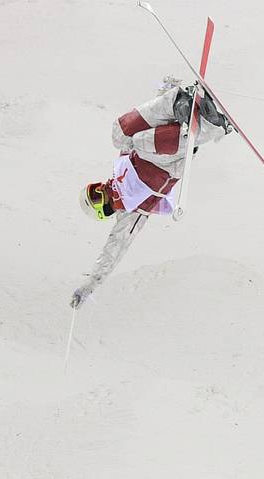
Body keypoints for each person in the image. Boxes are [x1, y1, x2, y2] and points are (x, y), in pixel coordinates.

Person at [71, 77, 234, 308]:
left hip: (162, 142)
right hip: (168, 164)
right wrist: (90, 285)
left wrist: (162, 96)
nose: (100, 189)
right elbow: (112, 252)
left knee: (119, 135)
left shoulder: (119, 170)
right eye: (95, 197)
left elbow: (137, 127)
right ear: (101, 211)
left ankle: (178, 102)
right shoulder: (130, 212)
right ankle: (209, 127)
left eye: (93, 188)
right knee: (139, 142)